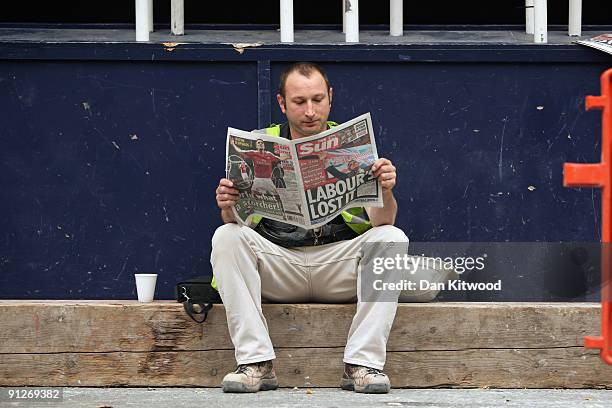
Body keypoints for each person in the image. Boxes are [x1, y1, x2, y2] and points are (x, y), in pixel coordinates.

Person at [212, 62, 407, 394]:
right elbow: (236, 225)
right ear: (282, 103)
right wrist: (228, 205)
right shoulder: (259, 145)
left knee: (392, 238)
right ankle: (254, 363)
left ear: (330, 98)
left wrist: (385, 190)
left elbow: (382, 222)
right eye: (300, 102)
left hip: (338, 266)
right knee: (226, 236)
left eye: (318, 100)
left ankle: (363, 364)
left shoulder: (353, 145)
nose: (310, 111)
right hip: (279, 265)